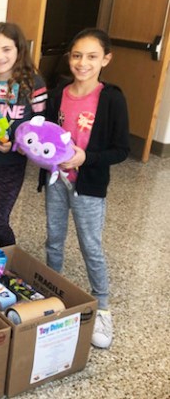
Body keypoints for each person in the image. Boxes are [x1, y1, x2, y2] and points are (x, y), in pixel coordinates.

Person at [38, 28, 129, 349]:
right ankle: (51, 293)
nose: (83, 62)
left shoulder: (112, 98)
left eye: (92, 56)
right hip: (57, 182)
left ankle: (102, 306)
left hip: (88, 186)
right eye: (77, 55)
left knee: (90, 244)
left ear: (106, 59)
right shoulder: (59, 92)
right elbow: (46, 134)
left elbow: (121, 150)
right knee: (54, 238)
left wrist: (84, 157)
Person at [0, 22, 48, 249]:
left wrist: (16, 146)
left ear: (19, 50)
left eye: (6, 49)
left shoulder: (33, 83)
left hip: (11, 164)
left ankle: (11, 262)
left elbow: (41, 130)